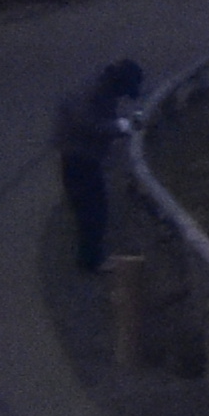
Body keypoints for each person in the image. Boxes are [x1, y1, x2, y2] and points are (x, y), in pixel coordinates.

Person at [53, 58, 145, 274]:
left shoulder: (102, 87)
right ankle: (90, 261)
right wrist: (118, 127)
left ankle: (91, 257)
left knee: (93, 207)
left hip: (82, 155)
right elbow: (87, 122)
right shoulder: (93, 92)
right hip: (78, 156)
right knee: (91, 209)